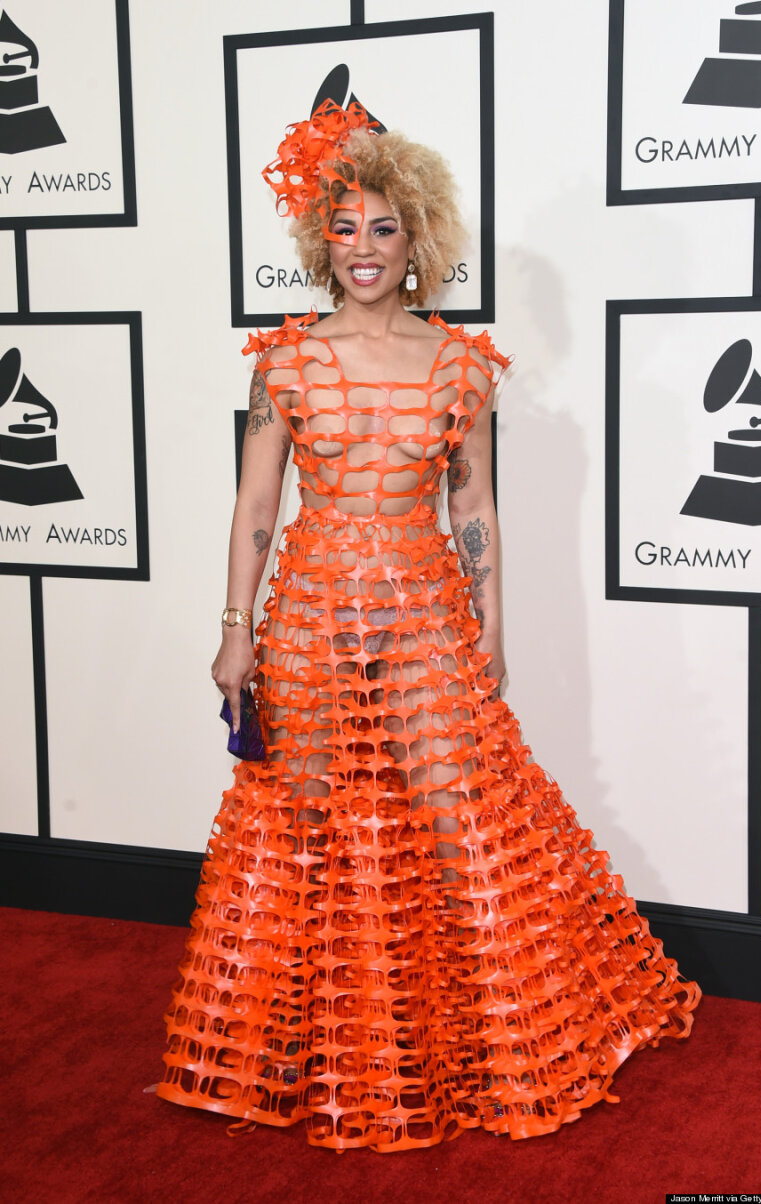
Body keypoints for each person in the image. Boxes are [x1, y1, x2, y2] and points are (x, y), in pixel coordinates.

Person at [156, 100, 700, 1153]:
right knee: (301, 818)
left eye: (384, 228)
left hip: (419, 605)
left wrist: (488, 626)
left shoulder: (460, 366)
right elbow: (256, 509)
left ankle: (510, 1049)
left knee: (459, 821)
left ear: (418, 241)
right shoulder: (283, 363)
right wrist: (235, 629)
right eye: (345, 227)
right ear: (323, 240)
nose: (362, 249)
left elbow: (474, 507)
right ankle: (296, 1050)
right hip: (310, 608)